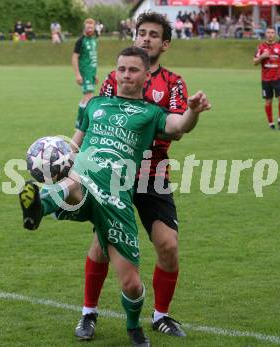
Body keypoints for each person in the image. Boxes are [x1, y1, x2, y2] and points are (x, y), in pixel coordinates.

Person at [19, 46, 211, 347]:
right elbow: (74, 145)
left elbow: (178, 126)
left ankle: (134, 327)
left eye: (133, 70)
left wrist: (192, 111)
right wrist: (55, 160)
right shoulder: (94, 105)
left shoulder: (151, 114)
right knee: (75, 183)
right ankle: (37, 208)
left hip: (116, 198)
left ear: (146, 76)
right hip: (83, 179)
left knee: (132, 285)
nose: (125, 75)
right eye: (121, 69)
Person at [75, 12, 191, 340]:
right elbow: (97, 123)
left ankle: (161, 316)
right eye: (142, 32)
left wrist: (187, 115)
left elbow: (177, 128)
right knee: (101, 243)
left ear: (165, 43)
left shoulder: (174, 83)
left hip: (153, 174)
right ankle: (88, 313)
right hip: (113, 175)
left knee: (168, 246)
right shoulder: (115, 78)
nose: (146, 39)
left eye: (154, 34)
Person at [254, 27, 280, 130]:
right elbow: (255, 62)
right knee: (268, 102)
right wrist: (262, 56)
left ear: (275, 34)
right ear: (265, 34)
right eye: (268, 32)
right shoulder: (260, 47)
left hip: (278, 77)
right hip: (266, 79)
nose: (270, 34)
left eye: (272, 32)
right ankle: (271, 123)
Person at [72, 18, 98, 130]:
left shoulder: (93, 40)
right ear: (85, 27)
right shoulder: (80, 41)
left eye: (92, 27)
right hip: (84, 72)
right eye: (88, 27)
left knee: (87, 98)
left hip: (91, 73)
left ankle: (79, 123)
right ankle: (82, 125)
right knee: (89, 97)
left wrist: (94, 74)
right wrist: (77, 74)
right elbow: (74, 57)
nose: (90, 29)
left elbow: (92, 59)